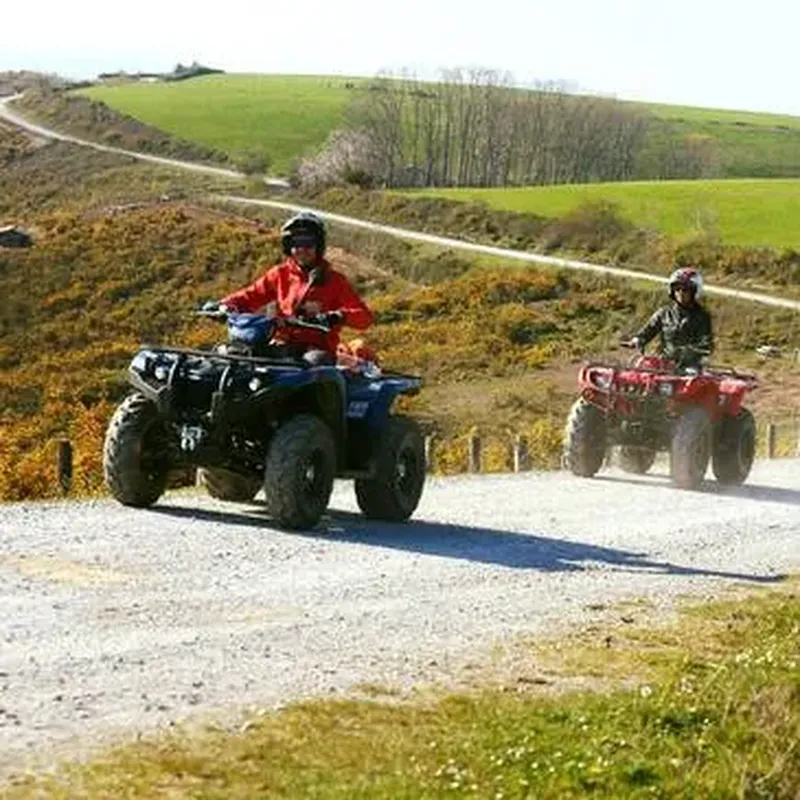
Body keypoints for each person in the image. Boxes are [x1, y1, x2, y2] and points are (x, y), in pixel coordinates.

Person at [216, 211, 374, 365]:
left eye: (308, 244)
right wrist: (224, 305)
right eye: (296, 244)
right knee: (235, 356)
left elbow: (365, 318)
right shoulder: (280, 274)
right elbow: (250, 295)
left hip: (316, 350)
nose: (302, 249)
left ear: (318, 246)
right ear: (288, 246)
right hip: (280, 344)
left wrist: (337, 316)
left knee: (314, 363)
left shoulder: (335, 281)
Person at [626, 267, 714, 368]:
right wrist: (637, 340)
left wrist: (686, 353)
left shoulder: (702, 317)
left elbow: (705, 345)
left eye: (685, 289)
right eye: (677, 288)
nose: (680, 292)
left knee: (690, 380)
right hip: (663, 363)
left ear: (694, 291)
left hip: (689, 367)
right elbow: (648, 330)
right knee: (639, 370)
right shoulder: (664, 313)